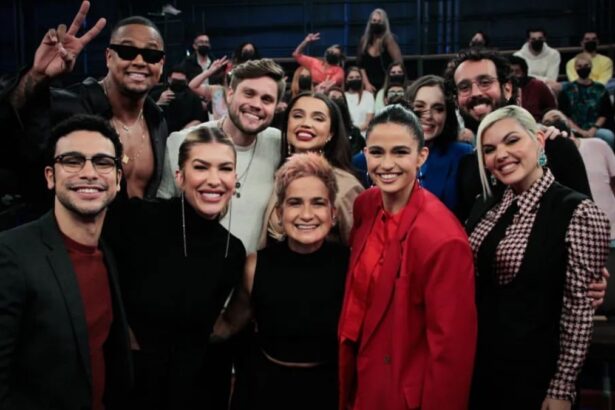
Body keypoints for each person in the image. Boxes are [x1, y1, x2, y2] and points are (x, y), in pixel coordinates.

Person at [467, 105, 610, 410]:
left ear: (539, 141)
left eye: (512, 141)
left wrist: (561, 388)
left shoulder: (580, 212)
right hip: (482, 368)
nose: (501, 154)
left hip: (535, 376)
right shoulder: (486, 205)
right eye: (489, 149)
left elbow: (578, 313)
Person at [338, 105, 477, 410]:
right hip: (360, 378)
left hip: (402, 391)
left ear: (421, 157)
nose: (387, 164)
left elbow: (451, 351)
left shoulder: (444, 239)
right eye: (377, 152)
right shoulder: (366, 204)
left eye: (400, 152)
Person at [104, 126, 246, 409]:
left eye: (225, 168)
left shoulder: (232, 251)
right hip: (128, 388)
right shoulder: (138, 219)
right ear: (180, 177)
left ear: (235, 178)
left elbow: (208, 332)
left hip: (192, 391)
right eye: (201, 167)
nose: (214, 180)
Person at [0, 114, 131, 409]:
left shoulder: (109, 254)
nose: (89, 173)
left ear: (118, 180)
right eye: (73, 161)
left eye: (102, 162)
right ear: (50, 176)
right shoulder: (11, 254)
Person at [214, 153, 347, 410]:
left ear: (333, 213)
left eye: (318, 203)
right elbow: (229, 325)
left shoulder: (350, 265)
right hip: (266, 391)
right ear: (279, 211)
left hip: (328, 391)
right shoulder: (256, 266)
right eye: (295, 203)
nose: (306, 214)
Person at [8, 2, 168, 199]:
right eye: (127, 51)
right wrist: (37, 75)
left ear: (161, 65)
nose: (139, 62)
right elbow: (11, 130)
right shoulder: (69, 106)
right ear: (109, 57)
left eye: (151, 55)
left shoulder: (157, 121)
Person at [443, 47, 592, 221]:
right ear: (456, 100)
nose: (475, 93)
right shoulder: (467, 165)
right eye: (464, 87)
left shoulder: (556, 146)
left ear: (507, 89)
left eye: (485, 82)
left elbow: (586, 221)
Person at [159, 58, 286, 254]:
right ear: (230, 93)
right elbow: (163, 213)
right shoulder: (182, 142)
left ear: (277, 106)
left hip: (252, 276)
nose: (256, 105)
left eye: (267, 99)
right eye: (249, 94)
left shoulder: (278, 144)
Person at [261, 92, 363, 246]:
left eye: (318, 118)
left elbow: (358, 248)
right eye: (297, 116)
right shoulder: (275, 174)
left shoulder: (346, 185)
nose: (306, 123)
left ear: (331, 133)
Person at [543, 109, 615, 246]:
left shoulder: (598, 145)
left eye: (558, 116)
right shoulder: (550, 158)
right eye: (548, 121)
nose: (553, 118)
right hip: (584, 236)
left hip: (612, 230)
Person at [559, 53, 615, 148]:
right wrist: (581, 132)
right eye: (579, 66)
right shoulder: (567, 89)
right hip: (574, 129)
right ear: (575, 68)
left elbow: (604, 114)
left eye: (586, 66)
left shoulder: (600, 89)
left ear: (591, 66)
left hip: (596, 129)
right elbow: (564, 115)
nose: (583, 68)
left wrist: (593, 129)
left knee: (608, 136)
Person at [150, 64, 208, 133]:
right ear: (169, 79)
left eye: (181, 82)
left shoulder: (193, 97)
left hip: (183, 134)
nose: (178, 84)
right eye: (175, 81)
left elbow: (199, 119)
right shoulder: (157, 93)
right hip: (159, 133)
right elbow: (145, 115)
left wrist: (181, 133)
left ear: (186, 81)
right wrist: (159, 102)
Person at [356, 8, 403, 92]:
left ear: (384, 23)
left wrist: (387, 85)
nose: (376, 23)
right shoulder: (364, 40)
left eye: (379, 21)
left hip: (386, 84)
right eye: (374, 20)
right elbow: (360, 65)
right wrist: (366, 84)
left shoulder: (389, 40)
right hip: (368, 85)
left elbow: (398, 64)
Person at [509, 55, 557, 122]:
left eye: (517, 72)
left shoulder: (538, 85)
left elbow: (552, 109)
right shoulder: (504, 88)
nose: (513, 75)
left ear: (524, 73)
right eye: (511, 72)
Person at [188, 55, 230, 121]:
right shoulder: (216, 90)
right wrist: (209, 71)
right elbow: (192, 86)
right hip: (218, 130)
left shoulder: (241, 92)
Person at [326, 86, 366, 156]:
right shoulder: (321, 129)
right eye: (333, 98)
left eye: (341, 98)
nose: (337, 100)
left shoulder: (354, 132)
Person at [344, 66, 375, 136]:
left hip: (364, 135)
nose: (354, 79)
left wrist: (355, 131)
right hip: (346, 135)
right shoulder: (343, 96)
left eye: (357, 77)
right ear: (346, 80)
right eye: (351, 78)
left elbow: (369, 121)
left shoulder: (368, 96)